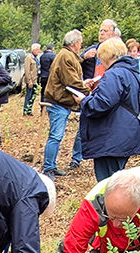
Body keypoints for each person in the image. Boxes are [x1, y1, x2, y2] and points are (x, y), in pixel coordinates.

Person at [77, 38, 140, 181]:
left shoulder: (114, 74)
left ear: (108, 56)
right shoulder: (130, 71)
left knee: (108, 184)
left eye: (101, 58)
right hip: (124, 134)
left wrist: (83, 101)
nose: (100, 62)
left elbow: (101, 104)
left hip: (112, 138)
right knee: (117, 180)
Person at [42, 30, 87, 180]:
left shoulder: (66, 55)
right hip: (57, 102)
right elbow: (71, 82)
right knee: (55, 135)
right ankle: (48, 168)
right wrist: (87, 89)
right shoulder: (66, 56)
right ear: (75, 43)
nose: (81, 45)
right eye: (80, 42)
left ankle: (51, 166)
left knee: (56, 135)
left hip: (61, 101)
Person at [23, 43, 40, 115]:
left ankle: (29, 110)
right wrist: (29, 81)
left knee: (33, 95)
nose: (39, 51)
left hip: (35, 80)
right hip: (31, 81)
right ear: (34, 50)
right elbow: (27, 70)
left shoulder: (36, 58)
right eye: (38, 49)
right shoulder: (29, 58)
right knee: (29, 95)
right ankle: (26, 111)